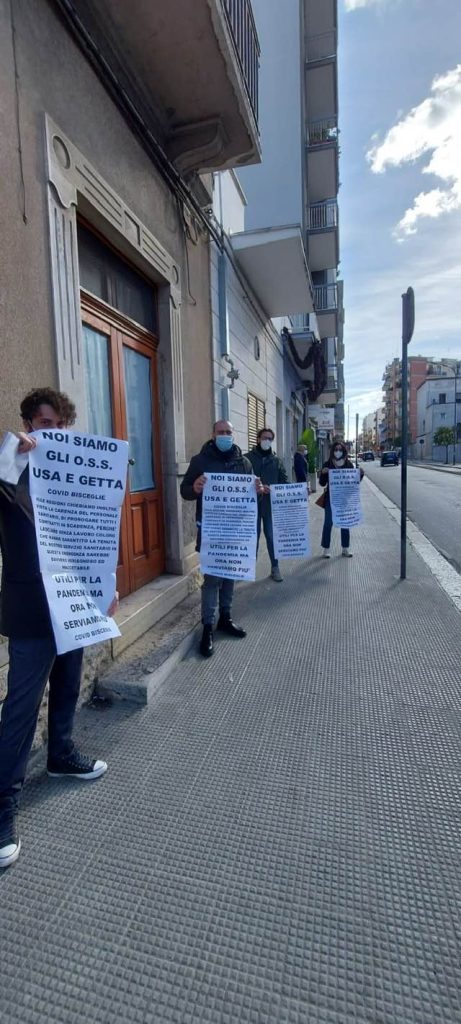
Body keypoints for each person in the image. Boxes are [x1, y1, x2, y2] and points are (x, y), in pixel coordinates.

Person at [0, 388, 118, 869]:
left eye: (61, 426)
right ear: (29, 422)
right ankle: (3, 807)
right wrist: (12, 451)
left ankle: (61, 754)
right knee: (21, 709)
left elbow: (97, 532)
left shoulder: (77, 475)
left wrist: (103, 588)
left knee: (68, 682)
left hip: (74, 601)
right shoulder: (11, 470)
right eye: (45, 424)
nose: (54, 433)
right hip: (31, 607)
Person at [180, 419, 263, 657]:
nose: (224, 435)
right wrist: (194, 487)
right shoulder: (200, 461)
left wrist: (257, 489)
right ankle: (207, 626)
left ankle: (225, 618)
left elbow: (252, 499)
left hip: (236, 533)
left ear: (233, 435)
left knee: (230, 577)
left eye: (228, 432)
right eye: (220, 432)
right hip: (211, 532)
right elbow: (185, 490)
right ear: (213, 434)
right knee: (213, 579)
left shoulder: (244, 463)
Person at [246, 427, 288, 582]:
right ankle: (247, 568)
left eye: (270, 438)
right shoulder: (247, 459)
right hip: (251, 507)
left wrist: (300, 491)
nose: (267, 441)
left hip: (270, 507)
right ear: (258, 439)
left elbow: (285, 482)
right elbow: (240, 481)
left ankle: (275, 568)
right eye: (264, 438)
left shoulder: (277, 461)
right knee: (252, 538)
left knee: (271, 537)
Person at [318, 439, 363, 558]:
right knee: (328, 523)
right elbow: (322, 483)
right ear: (333, 451)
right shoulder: (327, 464)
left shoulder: (349, 464)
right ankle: (326, 549)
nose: (338, 452)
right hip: (330, 499)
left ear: (344, 451)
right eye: (336, 449)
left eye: (340, 450)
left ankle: (345, 548)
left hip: (344, 499)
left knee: (345, 523)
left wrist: (360, 474)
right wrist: (323, 473)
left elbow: (353, 482)